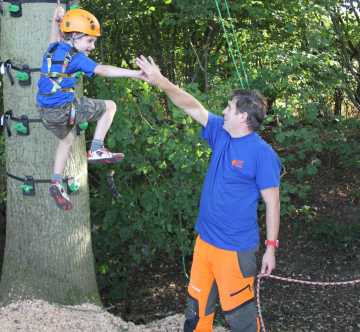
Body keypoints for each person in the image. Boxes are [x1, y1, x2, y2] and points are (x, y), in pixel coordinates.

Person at [136, 56, 281, 332]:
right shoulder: (220, 132)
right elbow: (190, 105)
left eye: (229, 107)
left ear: (242, 117)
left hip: (235, 249)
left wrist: (271, 248)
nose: (224, 111)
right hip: (205, 243)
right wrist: (159, 80)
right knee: (196, 310)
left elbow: (272, 203)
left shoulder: (262, 154)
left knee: (240, 317)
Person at [36, 6, 144, 211]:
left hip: (44, 111)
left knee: (67, 139)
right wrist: (135, 73)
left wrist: (55, 20)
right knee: (109, 107)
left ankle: (56, 182)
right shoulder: (76, 58)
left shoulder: (52, 49)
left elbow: (54, 36)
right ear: (75, 36)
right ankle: (96, 149)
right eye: (90, 40)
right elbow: (103, 69)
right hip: (62, 109)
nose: (92, 46)